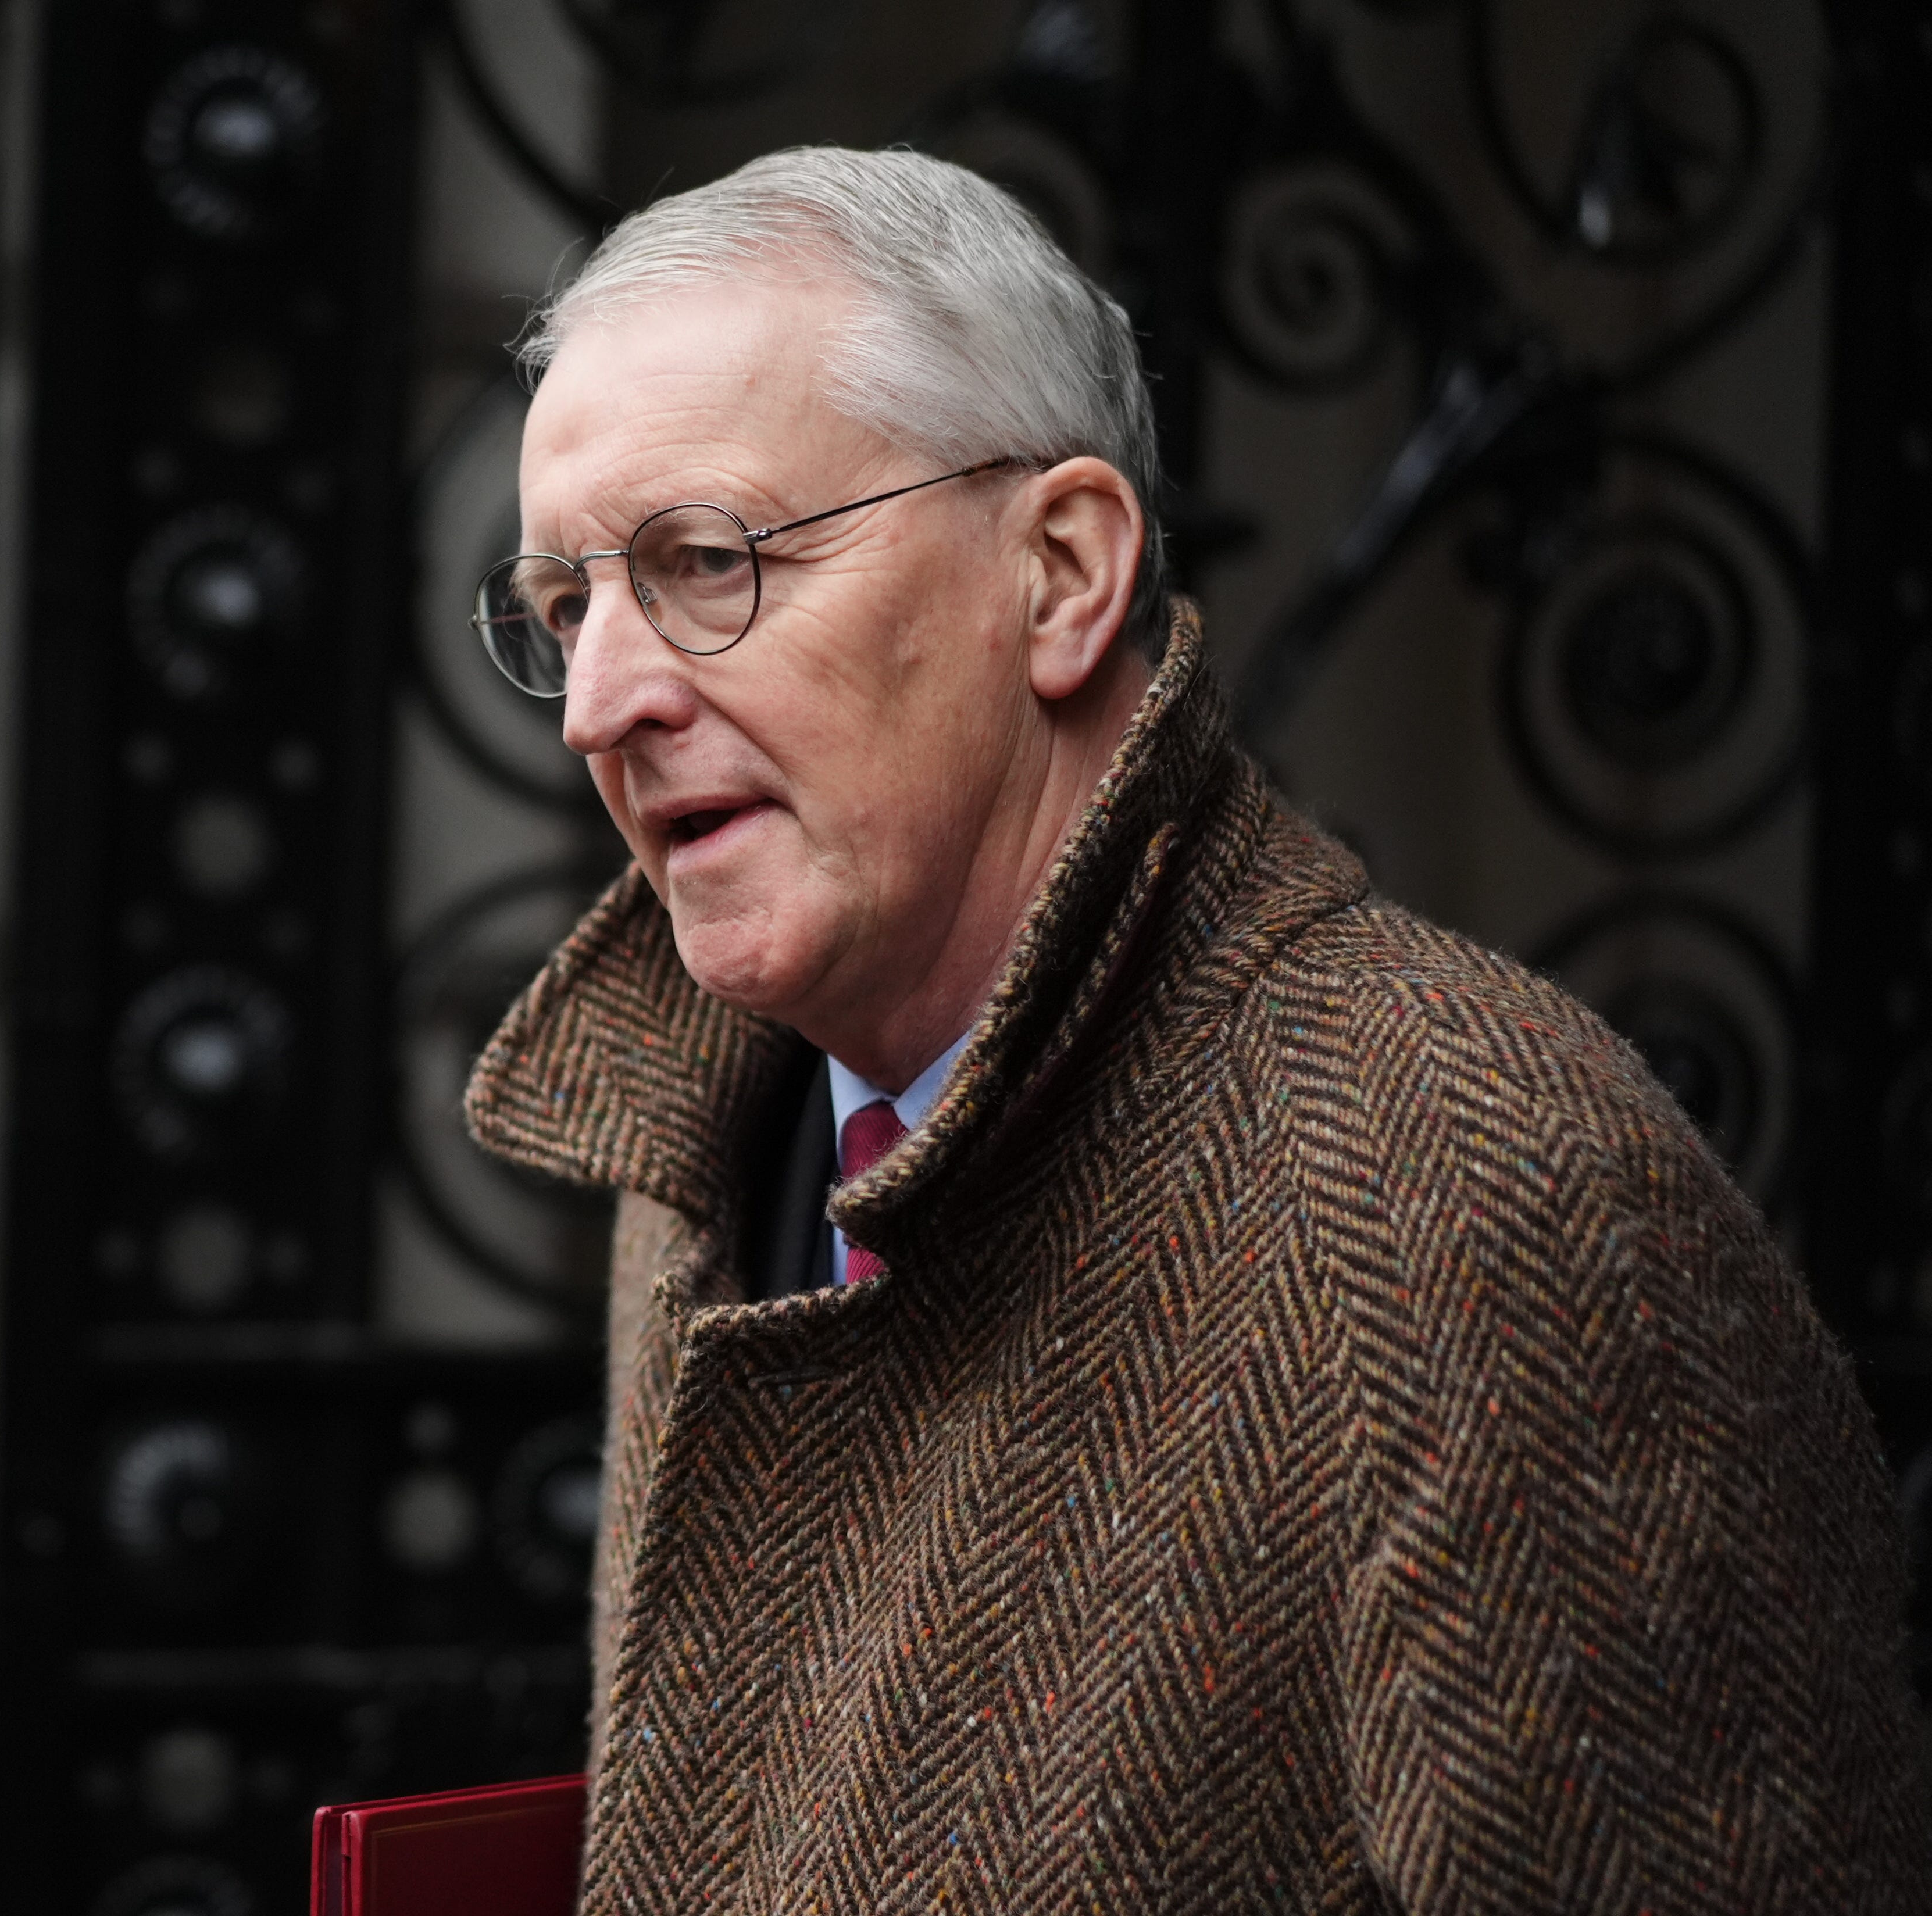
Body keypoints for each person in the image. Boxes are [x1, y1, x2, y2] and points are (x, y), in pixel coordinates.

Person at [460, 146, 1929, 1912]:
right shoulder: (704, 1151)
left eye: (706, 561)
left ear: (1065, 575)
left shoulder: (1467, 1190)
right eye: (567, 609)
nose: (604, 705)